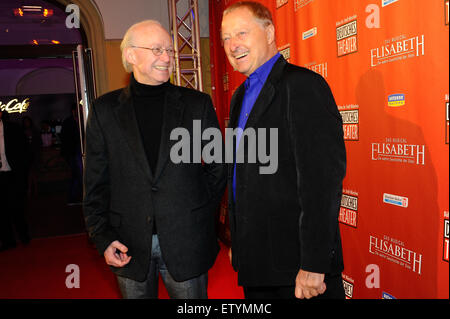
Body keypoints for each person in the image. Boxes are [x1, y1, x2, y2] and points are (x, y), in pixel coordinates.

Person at [83, 20, 226, 299]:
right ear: (131, 55)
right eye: (157, 49)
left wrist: (195, 212)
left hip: (188, 240)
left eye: (170, 50)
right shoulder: (104, 111)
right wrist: (103, 237)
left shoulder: (197, 105)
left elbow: (218, 167)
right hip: (128, 243)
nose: (167, 57)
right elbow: (95, 183)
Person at [221, 1, 347, 299]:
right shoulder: (240, 96)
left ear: (269, 32)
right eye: (226, 37)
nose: (232, 44)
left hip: (297, 267)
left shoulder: (303, 86)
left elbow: (321, 185)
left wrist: (314, 264)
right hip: (257, 262)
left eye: (241, 33)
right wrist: (238, 244)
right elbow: (241, 176)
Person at [0, 110, 30, 252]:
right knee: (2, 211)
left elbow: (24, 151)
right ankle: (7, 241)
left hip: (13, 174)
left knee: (17, 208)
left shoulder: (13, 128)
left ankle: (24, 237)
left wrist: (23, 174)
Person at [60, 105, 83, 205]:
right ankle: (74, 197)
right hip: (73, 151)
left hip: (76, 151)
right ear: (73, 111)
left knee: (77, 175)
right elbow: (65, 137)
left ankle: (74, 197)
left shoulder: (80, 120)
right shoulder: (69, 122)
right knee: (77, 175)